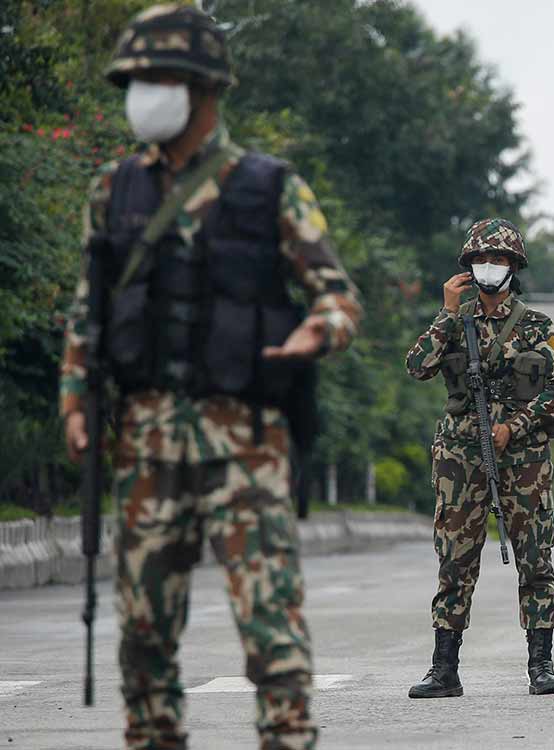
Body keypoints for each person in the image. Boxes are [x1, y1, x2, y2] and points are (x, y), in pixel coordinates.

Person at [59, 5, 362, 749]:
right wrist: (73, 397)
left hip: (245, 446)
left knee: (272, 633)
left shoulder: (268, 187)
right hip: (144, 446)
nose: (143, 95)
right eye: (136, 80)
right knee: (144, 636)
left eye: (158, 79)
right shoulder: (114, 189)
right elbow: (86, 310)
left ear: (203, 90)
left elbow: (338, 296)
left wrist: (313, 334)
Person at [404, 218, 554, 698]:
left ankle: (540, 665)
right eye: (481, 259)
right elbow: (417, 367)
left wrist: (512, 427)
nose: (489, 267)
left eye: (498, 260)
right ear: (467, 267)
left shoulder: (537, 326)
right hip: (461, 459)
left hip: (523, 458)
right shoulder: (454, 322)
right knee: (455, 560)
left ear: (513, 267)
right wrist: (446, 312)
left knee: (535, 558)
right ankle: (444, 669)